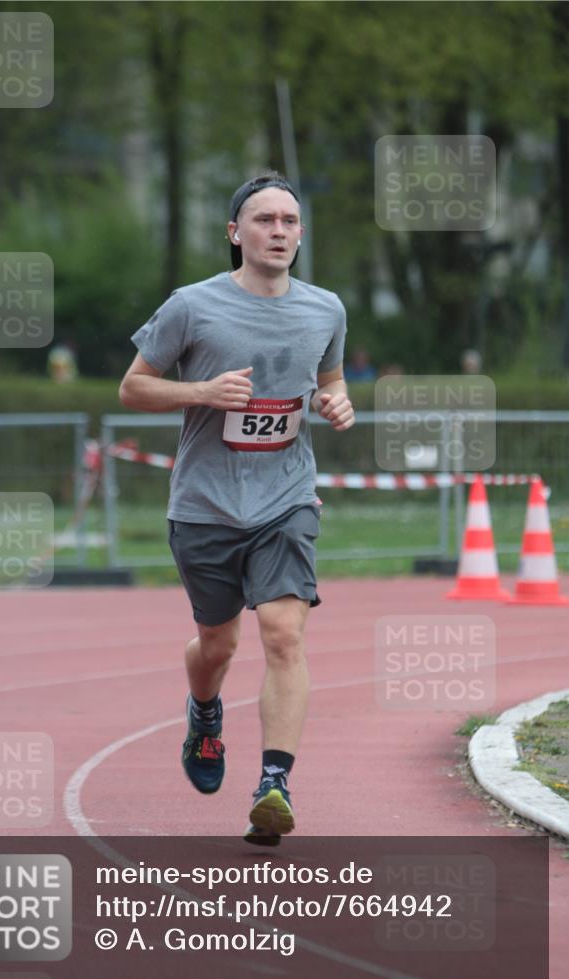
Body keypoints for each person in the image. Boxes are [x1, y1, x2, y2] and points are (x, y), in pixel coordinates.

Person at [119, 170, 355, 845]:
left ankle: (273, 783)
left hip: (285, 498)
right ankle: (203, 711)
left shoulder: (325, 309)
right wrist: (201, 393)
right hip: (204, 506)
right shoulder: (191, 307)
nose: (277, 231)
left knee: (283, 633)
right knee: (216, 645)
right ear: (234, 233)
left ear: (300, 233)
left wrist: (336, 401)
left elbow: (329, 380)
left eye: (288, 221)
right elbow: (133, 389)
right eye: (263, 220)